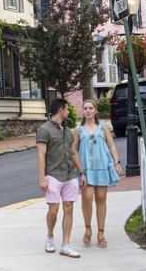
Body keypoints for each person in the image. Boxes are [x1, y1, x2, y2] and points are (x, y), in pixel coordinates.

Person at [36, 98, 87, 258]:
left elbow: (73, 153)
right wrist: (42, 178)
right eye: (67, 109)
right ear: (60, 110)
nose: (69, 112)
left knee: (69, 208)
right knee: (54, 209)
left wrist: (81, 172)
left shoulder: (67, 130)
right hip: (53, 175)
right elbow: (41, 155)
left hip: (70, 174)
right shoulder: (44, 130)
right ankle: (50, 236)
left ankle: (65, 244)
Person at [74, 100, 122, 248]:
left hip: (102, 167)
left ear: (95, 111)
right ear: (82, 111)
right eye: (85, 108)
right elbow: (74, 150)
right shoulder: (78, 129)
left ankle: (101, 232)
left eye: (91, 108)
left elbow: (111, 145)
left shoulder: (103, 127)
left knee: (101, 199)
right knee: (87, 199)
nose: (88, 111)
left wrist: (116, 162)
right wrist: (78, 169)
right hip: (86, 169)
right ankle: (88, 229)